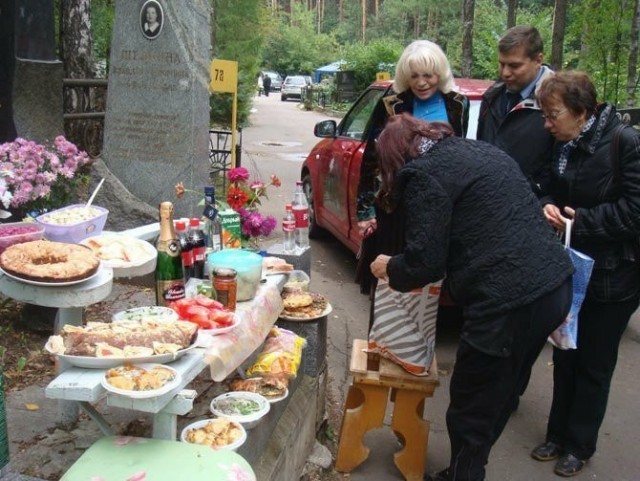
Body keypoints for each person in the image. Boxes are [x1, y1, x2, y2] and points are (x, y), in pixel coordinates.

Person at [369, 113, 574, 481]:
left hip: (510, 300)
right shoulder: (479, 150)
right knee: (500, 392)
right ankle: (466, 468)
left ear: (396, 158)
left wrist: (390, 266)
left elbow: (424, 263)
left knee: (470, 403)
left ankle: (465, 474)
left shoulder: (424, 175)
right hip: (554, 287)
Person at [531, 71, 640, 477]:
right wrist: (545, 203)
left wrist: (582, 221)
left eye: (553, 114)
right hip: (569, 266)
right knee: (565, 351)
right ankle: (556, 434)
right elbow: (541, 181)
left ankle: (579, 444)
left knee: (594, 362)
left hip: (614, 276)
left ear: (582, 112)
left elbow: (635, 211)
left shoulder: (624, 143)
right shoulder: (559, 141)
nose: (547, 123)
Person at [355, 40, 469, 327]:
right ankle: (381, 343)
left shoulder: (457, 104)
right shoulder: (392, 104)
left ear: (439, 73)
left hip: (438, 205)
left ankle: (415, 348)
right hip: (397, 205)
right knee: (389, 277)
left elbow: (461, 153)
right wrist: (365, 211)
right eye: (414, 75)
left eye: (428, 75)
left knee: (427, 275)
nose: (421, 83)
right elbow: (372, 158)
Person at [477, 25, 554, 192]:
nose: (505, 73)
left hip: (533, 206)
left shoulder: (558, 102)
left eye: (514, 66)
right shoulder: (492, 97)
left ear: (538, 60)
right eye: (501, 64)